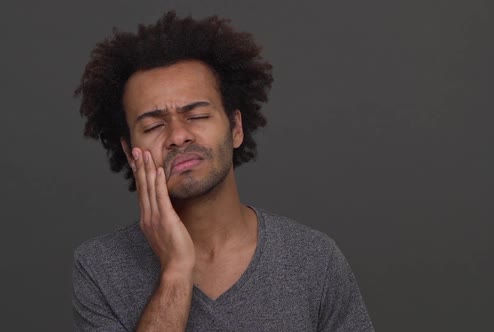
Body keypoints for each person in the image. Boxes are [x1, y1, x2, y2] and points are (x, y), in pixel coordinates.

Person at [72, 11, 374, 331]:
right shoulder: (100, 268)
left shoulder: (314, 260)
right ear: (129, 152)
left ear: (236, 128)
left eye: (198, 116)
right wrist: (176, 270)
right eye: (154, 125)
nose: (178, 136)